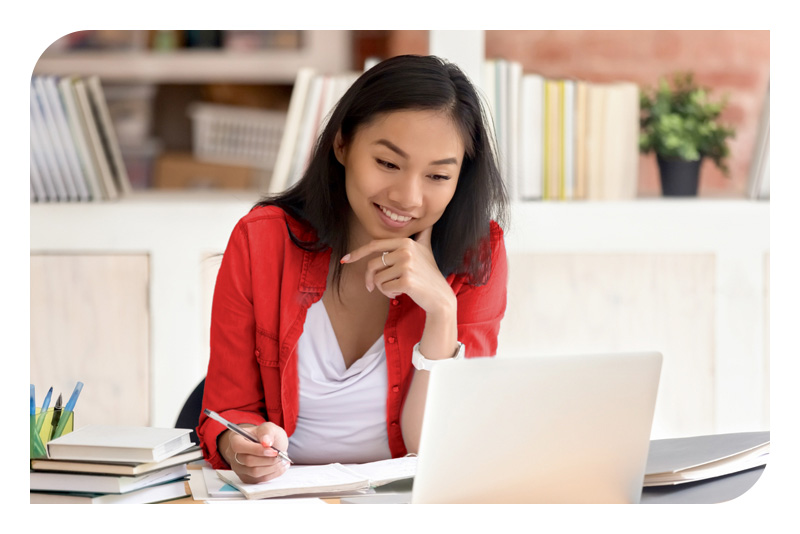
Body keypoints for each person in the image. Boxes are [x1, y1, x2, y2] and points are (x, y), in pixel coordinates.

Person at [197, 54, 509, 484]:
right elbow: (227, 410)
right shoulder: (262, 240)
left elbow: (436, 447)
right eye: (387, 164)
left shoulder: (478, 254)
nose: (408, 197)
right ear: (341, 144)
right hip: (283, 504)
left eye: (437, 176)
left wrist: (442, 311)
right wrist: (244, 444)